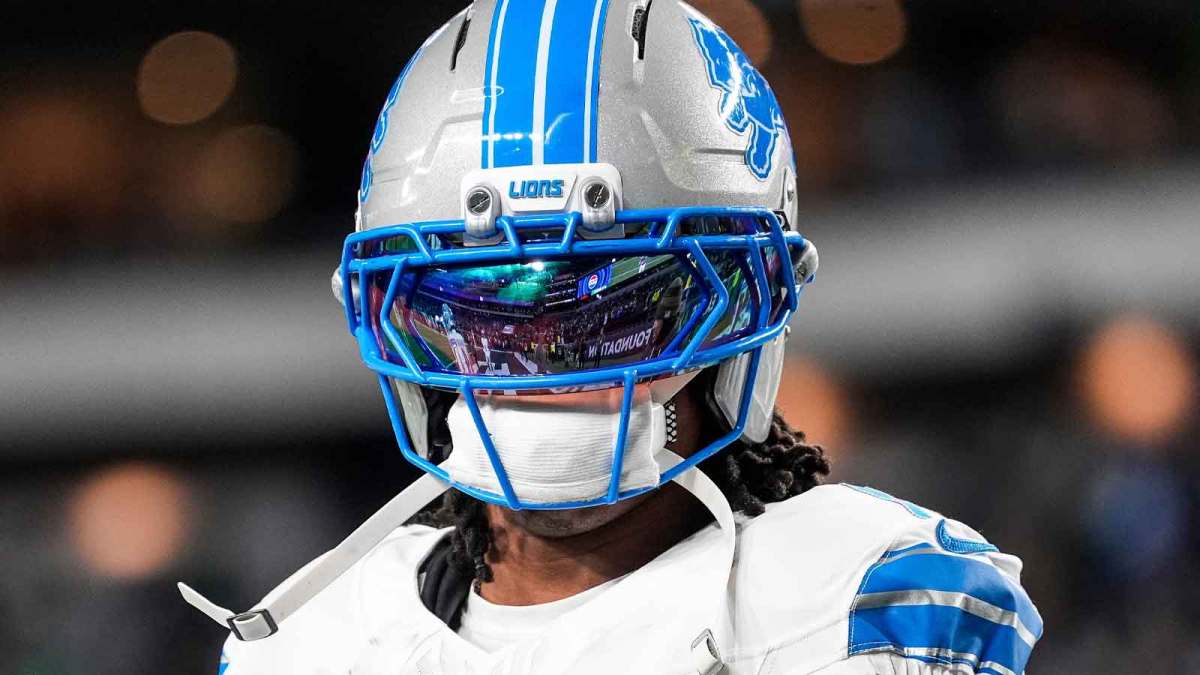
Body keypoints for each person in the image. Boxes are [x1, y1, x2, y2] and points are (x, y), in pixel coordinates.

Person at [182, 1, 1043, 673]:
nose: (543, 359)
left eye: (612, 310)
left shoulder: (865, 602)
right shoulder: (306, 646)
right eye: (485, 313)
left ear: (749, 306)